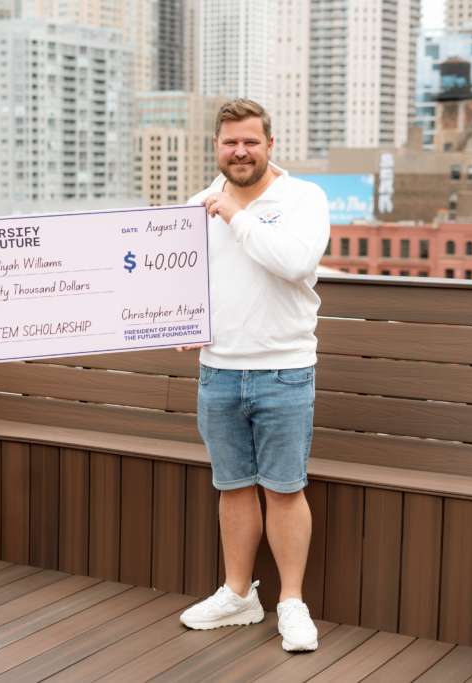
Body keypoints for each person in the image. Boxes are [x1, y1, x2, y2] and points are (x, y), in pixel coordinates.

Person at [178, 99, 330, 653]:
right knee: (233, 487)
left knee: (285, 490)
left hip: (284, 370)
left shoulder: (303, 198)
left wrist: (234, 216)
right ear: (216, 147)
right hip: (217, 370)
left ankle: (291, 602)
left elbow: (294, 262)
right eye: (230, 142)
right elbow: (179, 280)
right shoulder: (195, 206)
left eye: (250, 142)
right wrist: (178, 318)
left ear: (270, 144)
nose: (239, 151)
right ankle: (238, 595)